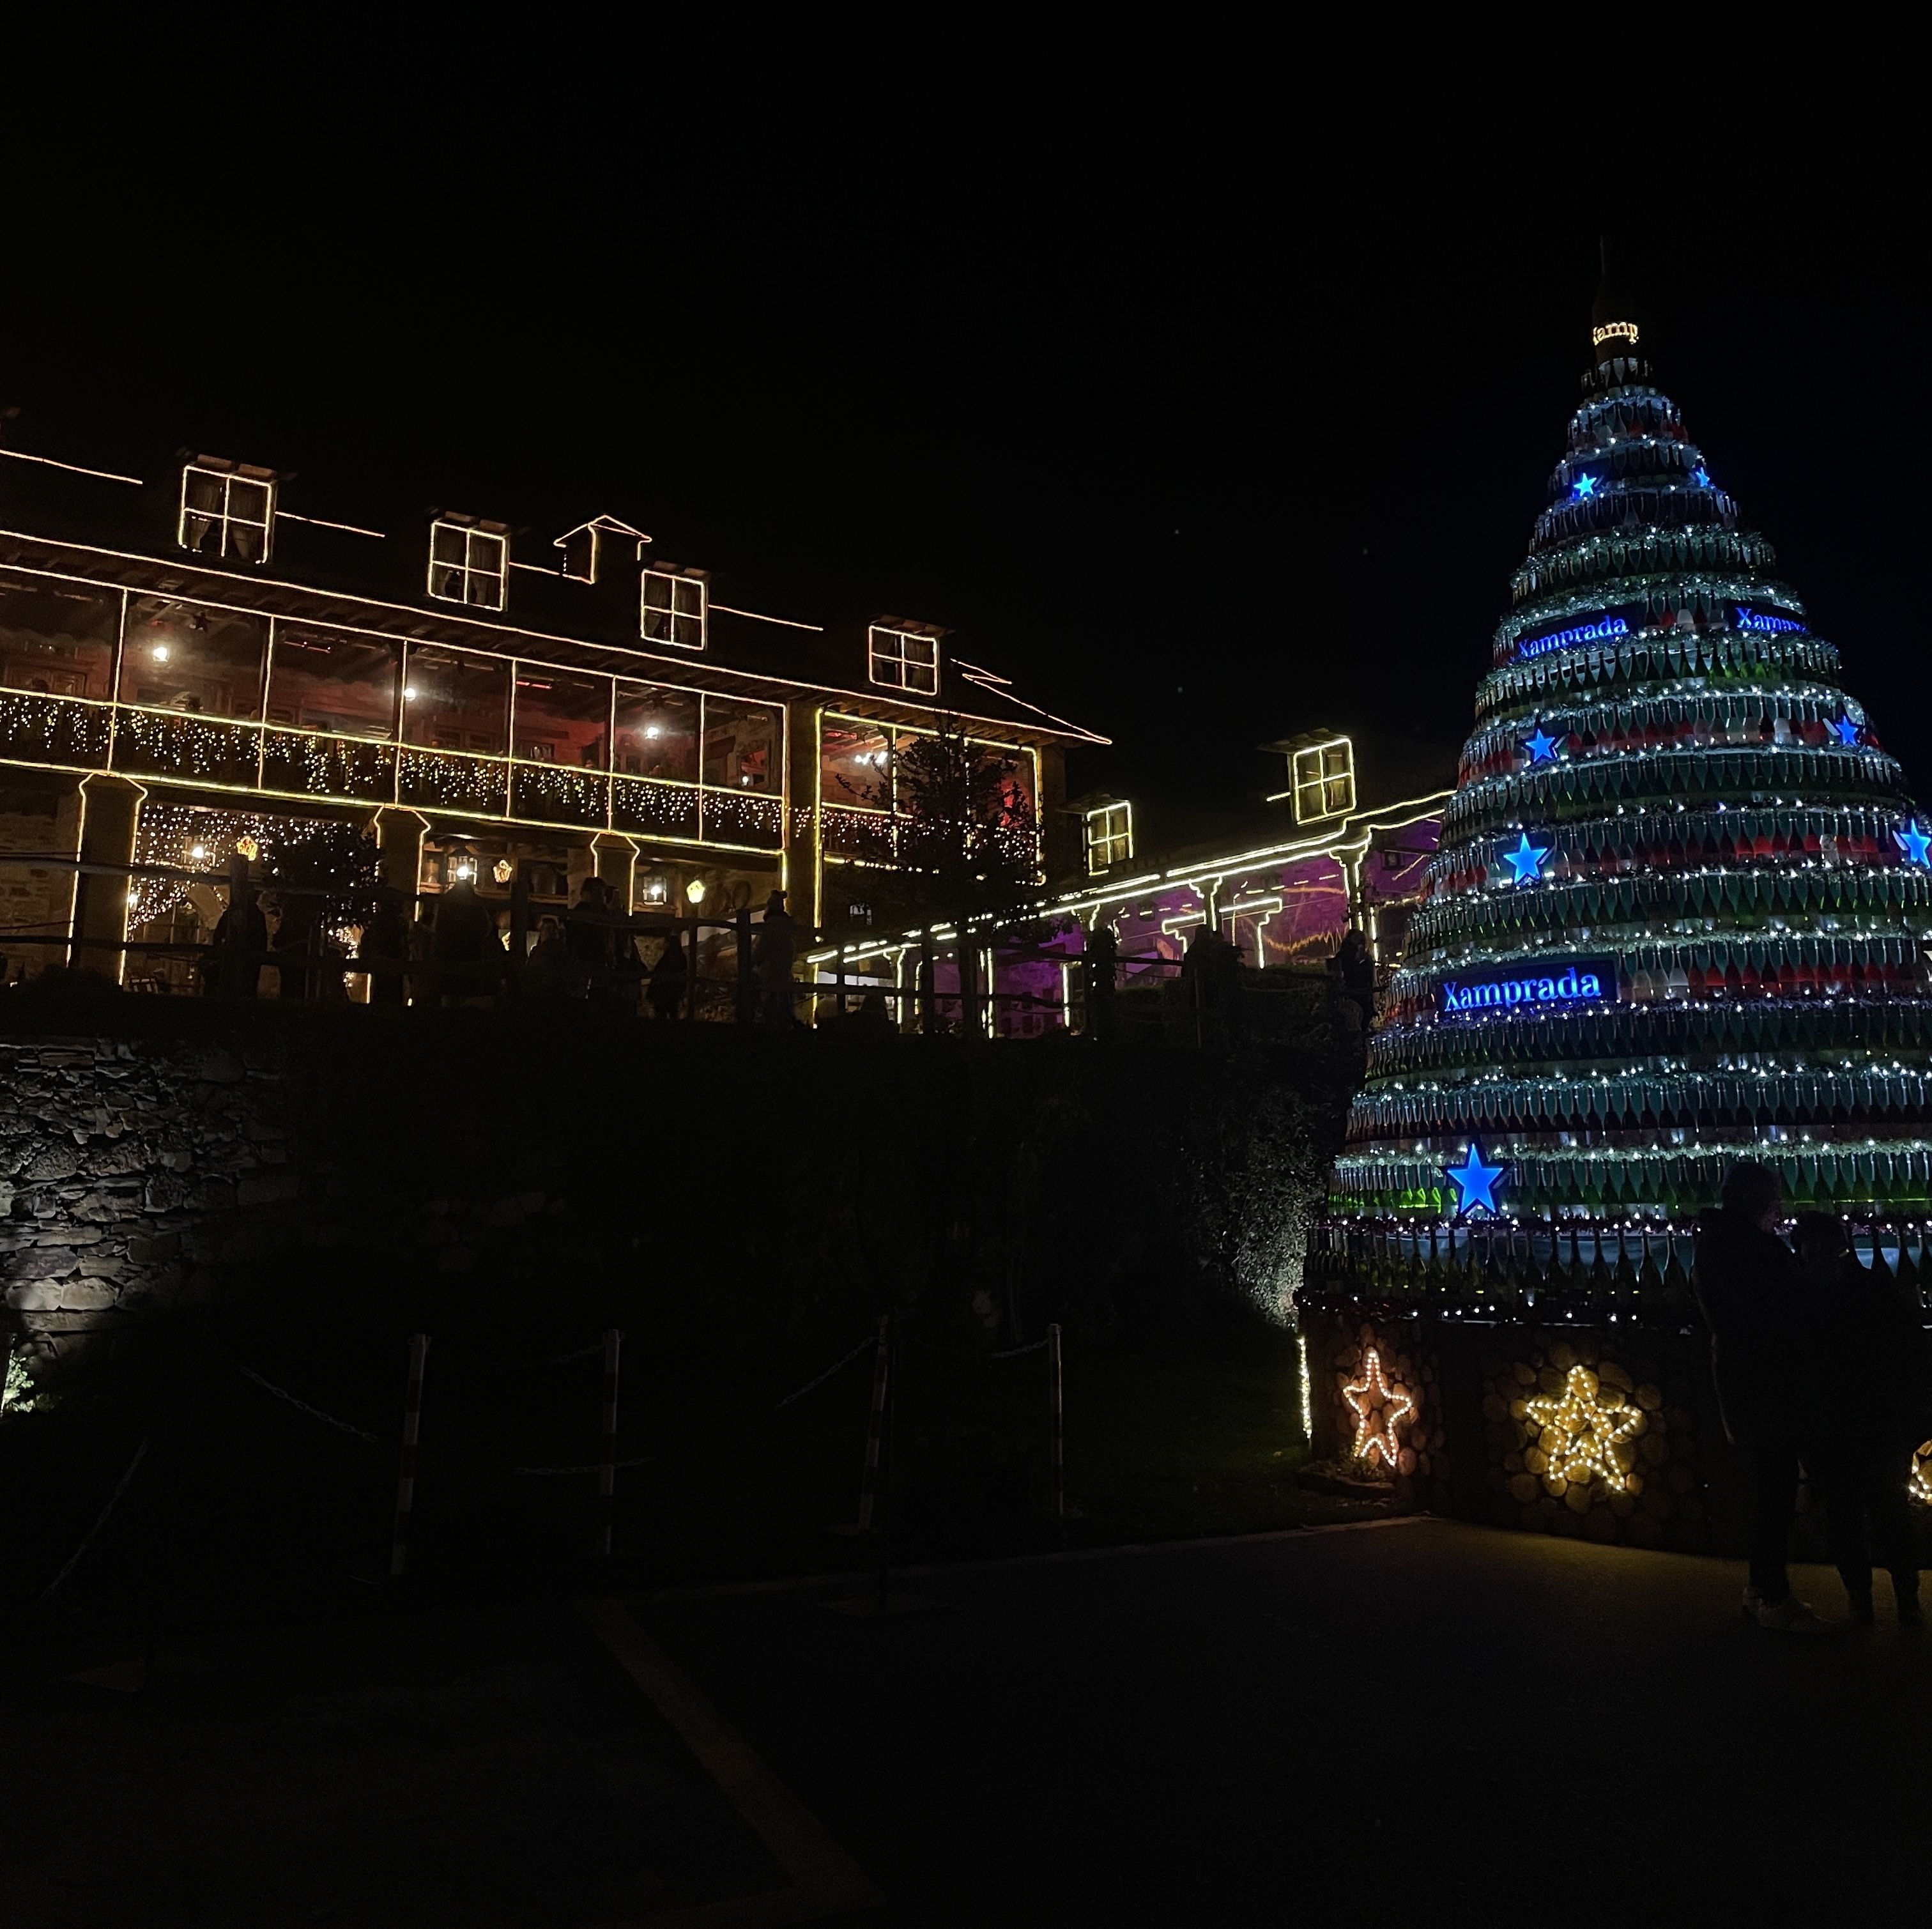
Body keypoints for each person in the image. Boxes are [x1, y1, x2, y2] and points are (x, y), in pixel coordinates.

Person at [1693, 1161, 1838, 1633]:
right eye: (1774, 1194)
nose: (1780, 1204)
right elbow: (1781, 1310)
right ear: (1760, 1199)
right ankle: (1772, 1596)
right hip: (1766, 1386)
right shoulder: (1751, 1250)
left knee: (1768, 1490)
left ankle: (1761, 1591)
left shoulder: (1716, 1245)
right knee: (1774, 1494)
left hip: (1743, 1383)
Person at [1795, 1212, 1926, 1626]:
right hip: (1873, 1425)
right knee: (1883, 1513)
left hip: (1847, 1427)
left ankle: (1867, 1602)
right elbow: (1911, 1352)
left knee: (1857, 1516)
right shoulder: (1874, 1290)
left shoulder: (1805, 1301)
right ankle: (1903, 1602)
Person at [206, 882, 268, 997]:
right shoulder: (256, 916)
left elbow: (218, 935)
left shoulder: (233, 914)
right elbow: (262, 940)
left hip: (240, 957)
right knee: (246, 988)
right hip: (247, 959)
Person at [357, 890, 413, 1008]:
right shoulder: (397, 923)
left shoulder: (380, 922)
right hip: (393, 963)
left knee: (382, 991)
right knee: (391, 992)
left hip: (384, 963)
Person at [751, 889, 796, 1029]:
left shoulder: (769, 929)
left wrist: (752, 963)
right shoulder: (789, 930)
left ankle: (769, 1026)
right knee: (784, 1001)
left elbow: (760, 952)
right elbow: (793, 952)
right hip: (785, 972)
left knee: (769, 1002)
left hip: (769, 972)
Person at [647, 929, 689, 1020]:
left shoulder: (667, 958)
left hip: (664, 992)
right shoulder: (681, 957)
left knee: (663, 1013)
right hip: (673, 992)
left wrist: (651, 992)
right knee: (673, 1012)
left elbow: (658, 973)